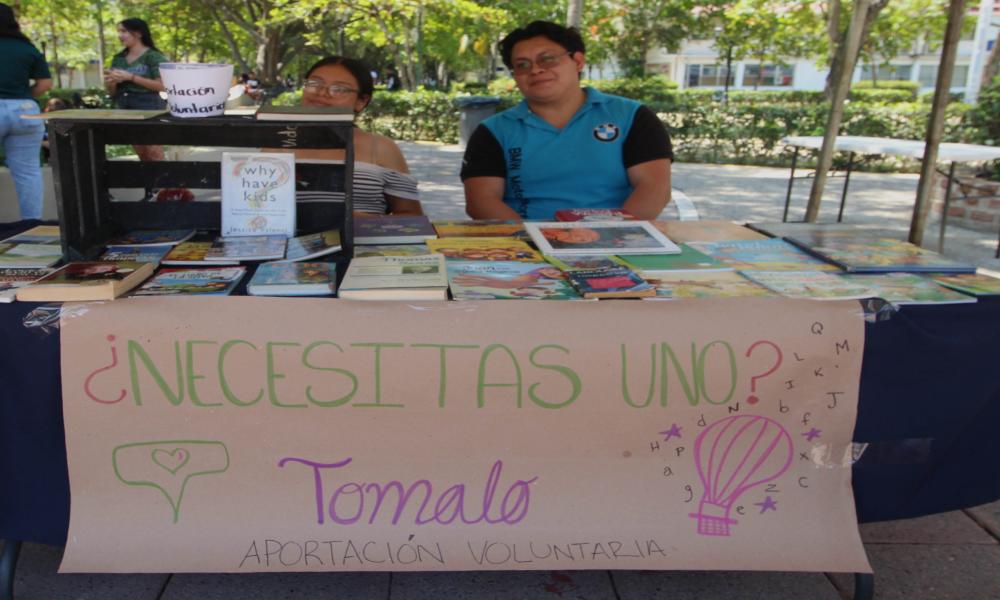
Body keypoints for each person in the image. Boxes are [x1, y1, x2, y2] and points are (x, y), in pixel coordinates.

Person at [461, 20, 673, 221]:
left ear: (578, 61)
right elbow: (481, 201)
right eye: (522, 64)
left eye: (547, 59)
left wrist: (610, 236)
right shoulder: (494, 131)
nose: (535, 69)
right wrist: (532, 241)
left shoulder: (631, 116)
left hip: (617, 239)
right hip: (526, 246)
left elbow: (654, 188)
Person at [275, 56, 422, 217]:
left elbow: (412, 217)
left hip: (361, 241)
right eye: (314, 84)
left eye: (339, 89)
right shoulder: (268, 142)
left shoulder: (382, 148)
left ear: (361, 101)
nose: (323, 93)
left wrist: (360, 221)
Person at [0, 3, 52, 220]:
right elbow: (45, 83)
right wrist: (24, 94)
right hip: (26, 110)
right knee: (29, 173)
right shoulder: (27, 48)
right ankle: (31, 228)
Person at [103, 17, 167, 162]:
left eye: (124, 31)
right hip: (125, 107)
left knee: (154, 154)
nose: (120, 35)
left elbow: (163, 85)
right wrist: (111, 82)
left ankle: (162, 184)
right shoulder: (118, 58)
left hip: (149, 107)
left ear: (138, 33)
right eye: (118, 31)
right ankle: (149, 185)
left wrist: (131, 77)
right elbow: (111, 92)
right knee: (142, 155)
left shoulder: (153, 56)